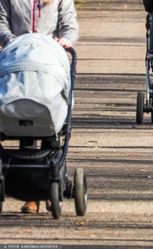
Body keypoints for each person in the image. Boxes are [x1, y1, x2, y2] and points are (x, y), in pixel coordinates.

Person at [0, 0, 79, 214]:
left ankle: (51, 182)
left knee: (51, 129)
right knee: (22, 124)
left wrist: (65, 40)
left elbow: (70, 25)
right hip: (17, 63)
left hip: (49, 67)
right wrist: (10, 40)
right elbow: (2, 22)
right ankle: (31, 195)